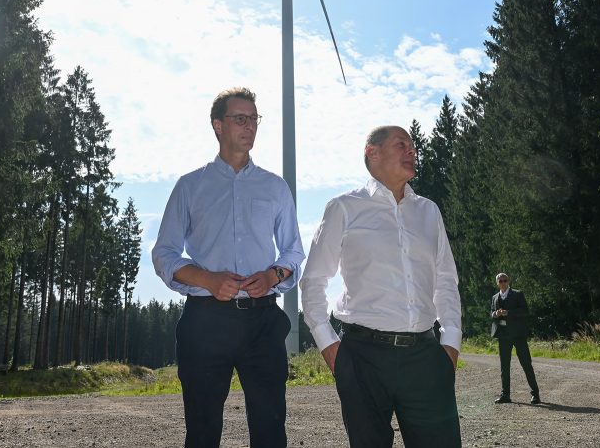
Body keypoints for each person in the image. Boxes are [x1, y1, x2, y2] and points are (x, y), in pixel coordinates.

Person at [151, 87, 305, 448]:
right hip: (206, 323)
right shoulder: (190, 187)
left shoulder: (276, 187)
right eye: (240, 119)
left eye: (254, 119)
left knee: (270, 432)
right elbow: (164, 254)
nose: (249, 126)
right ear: (218, 126)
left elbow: (294, 253)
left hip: (263, 323)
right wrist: (206, 278)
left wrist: (273, 276)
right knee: (202, 433)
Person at [300, 125, 462, 448]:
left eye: (413, 147)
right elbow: (313, 280)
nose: (411, 151)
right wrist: (331, 348)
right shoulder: (344, 208)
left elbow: (446, 280)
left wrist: (451, 344)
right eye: (401, 145)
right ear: (372, 153)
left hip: (426, 357)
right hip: (363, 358)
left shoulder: (429, 212)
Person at [490, 272, 541, 404]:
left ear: (509, 281)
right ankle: (505, 395)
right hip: (503, 335)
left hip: (518, 335)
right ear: (497, 283)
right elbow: (491, 313)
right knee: (504, 367)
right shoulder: (495, 297)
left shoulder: (518, 294)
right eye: (500, 281)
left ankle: (535, 394)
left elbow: (525, 311)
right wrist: (496, 313)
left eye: (505, 280)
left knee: (526, 364)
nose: (503, 282)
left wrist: (508, 312)